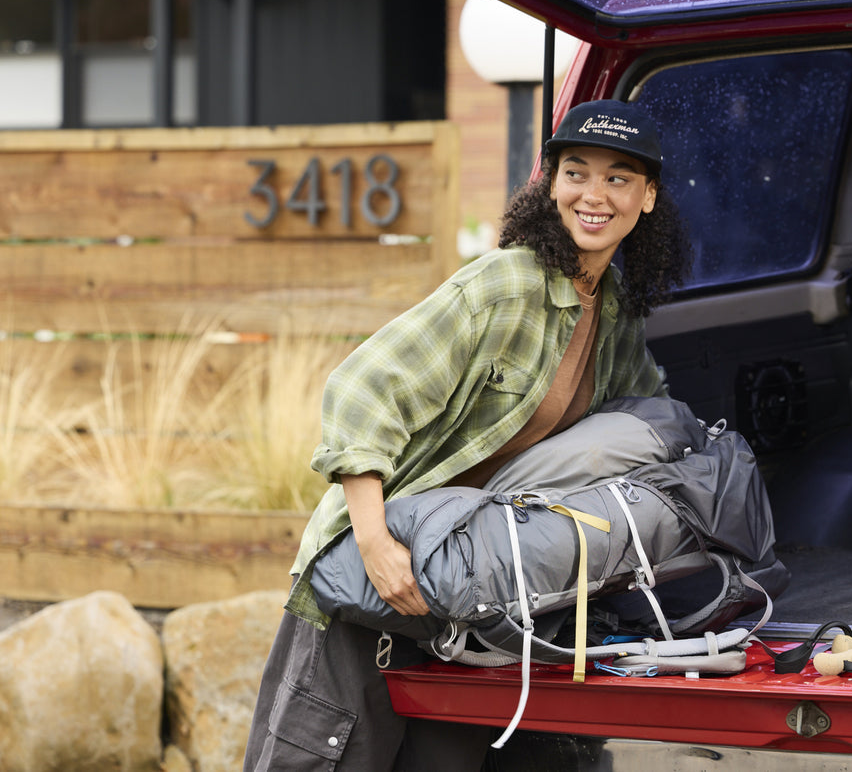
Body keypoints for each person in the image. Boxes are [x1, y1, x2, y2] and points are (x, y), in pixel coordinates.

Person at [243, 99, 692, 770]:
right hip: (371, 580)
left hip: (473, 585)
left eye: (618, 178)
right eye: (577, 172)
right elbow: (363, 389)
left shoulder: (617, 313)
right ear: (550, 184)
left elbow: (645, 424)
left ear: (648, 197)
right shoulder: (504, 286)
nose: (593, 194)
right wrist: (374, 543)